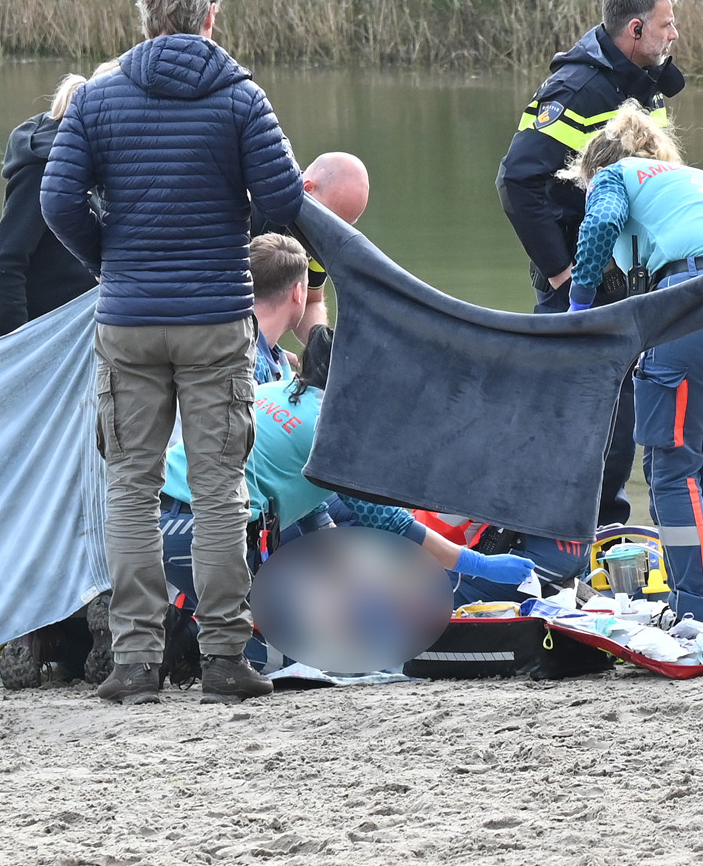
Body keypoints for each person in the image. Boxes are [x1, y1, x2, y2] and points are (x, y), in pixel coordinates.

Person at [41, 0, 306, 706]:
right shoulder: (240, 97)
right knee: (221, 492)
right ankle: (225, 658)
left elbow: (58, 201)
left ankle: (135, 664)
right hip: (217, 317)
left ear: (144, 17)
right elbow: (284, 196)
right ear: (209, 17)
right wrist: (227, 234)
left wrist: (110, 262)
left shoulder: (98, 99)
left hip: (127, 321)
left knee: (129, 488)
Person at [158, 238, 534, 657]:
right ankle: (191, 636)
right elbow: (386, 519)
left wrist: (349, 579)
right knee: (294, 655)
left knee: (323, 608)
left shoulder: (287, 386)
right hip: (200, 531)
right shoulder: (331, 430)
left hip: (170, 518)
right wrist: (474, 563)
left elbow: (314, 510)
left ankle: (193, 619)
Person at [560, 103, 703, 634]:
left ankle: (695, 609)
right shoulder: (699, 179)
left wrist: (578, 305)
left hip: (695, 306)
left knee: (671, 466)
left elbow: (600, 225)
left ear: (596, 169)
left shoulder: (614, 176)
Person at [497, 0, 686, 527]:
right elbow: (516, 182)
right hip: (581, 283)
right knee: (576, 414)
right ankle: (555, 533)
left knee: (621, 416)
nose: (674, 34)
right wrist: (561, 273)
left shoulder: (643, 83)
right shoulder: (579, 90)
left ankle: (606, 531)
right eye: (666, 24)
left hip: (629, 279)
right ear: (634, 30)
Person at [0, 72, 100, 343]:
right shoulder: (43, 170)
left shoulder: (90, 171)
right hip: (21, 338)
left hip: (61, 333)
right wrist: (16, 345)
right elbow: (3, 263)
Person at [250, 151, 370, 345]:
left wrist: (319, 344)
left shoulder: (327, 234)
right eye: (331, 221)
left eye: (344, 226)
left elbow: (311, 300)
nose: (332, 232)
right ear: (308, 188)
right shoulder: (253, 205)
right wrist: (259, 348)